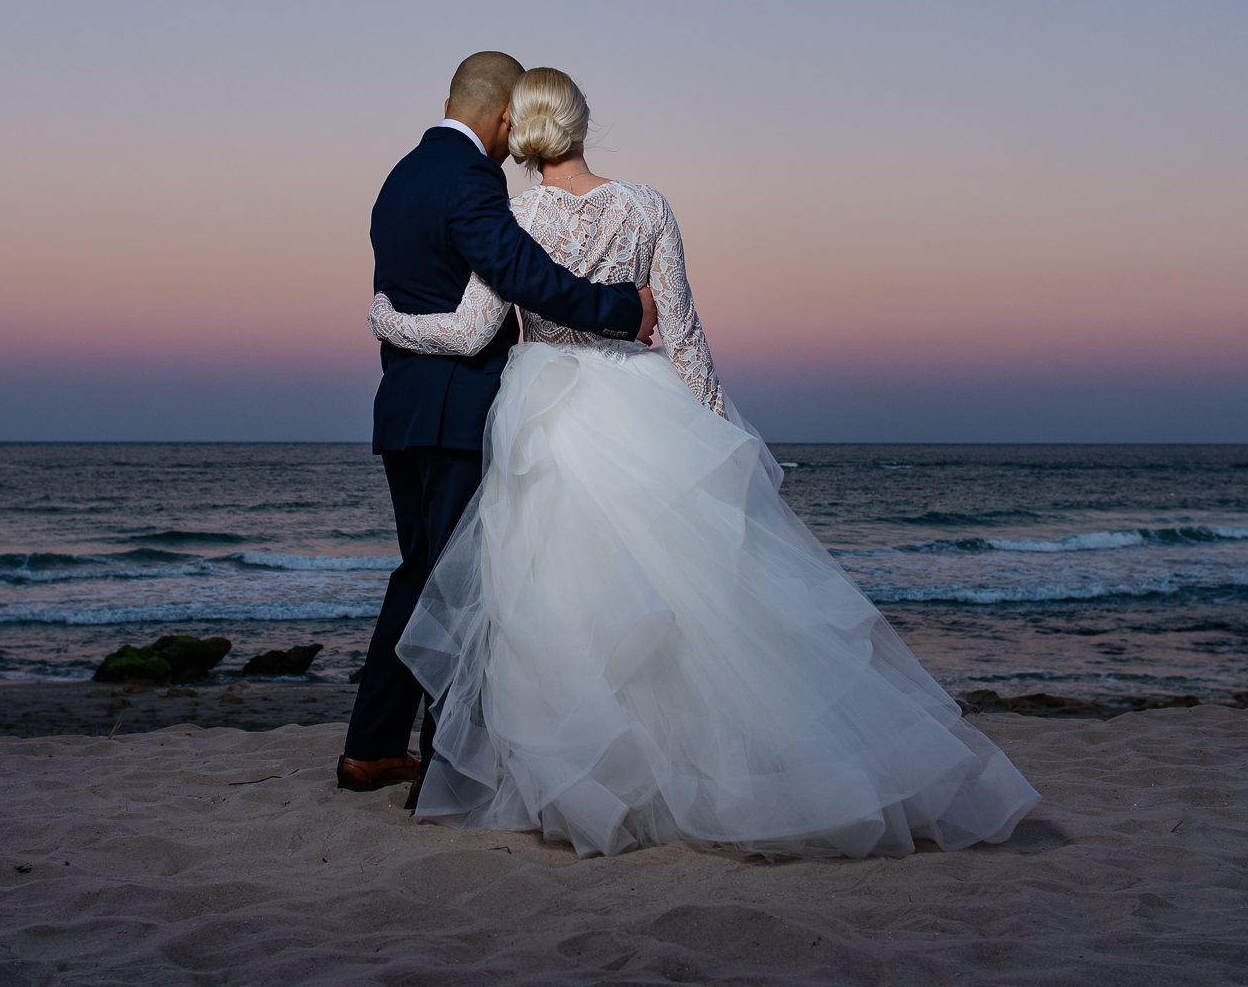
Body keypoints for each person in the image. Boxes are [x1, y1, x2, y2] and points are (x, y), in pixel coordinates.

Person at [368, 67, 1039, 858]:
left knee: (552, 597)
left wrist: (384, 316)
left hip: (547, 411)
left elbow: (467, 330)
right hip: (640, 407)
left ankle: (570, 776)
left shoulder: (520, 213)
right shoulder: (649, 205)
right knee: (682, 597)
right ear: (582, 124)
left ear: (517, 133)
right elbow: (684, 335)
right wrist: (722, 437)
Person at [339, 52, 658, 801]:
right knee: (458, 587)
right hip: (457, 410)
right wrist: (623, 310)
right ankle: (443, 765)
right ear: (506, 113)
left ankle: (370, 748)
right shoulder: (471, 181)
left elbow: (404, 292)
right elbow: (523, 275)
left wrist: (384, 320)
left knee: (418, 575)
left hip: (404, 406)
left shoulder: (399, 177)